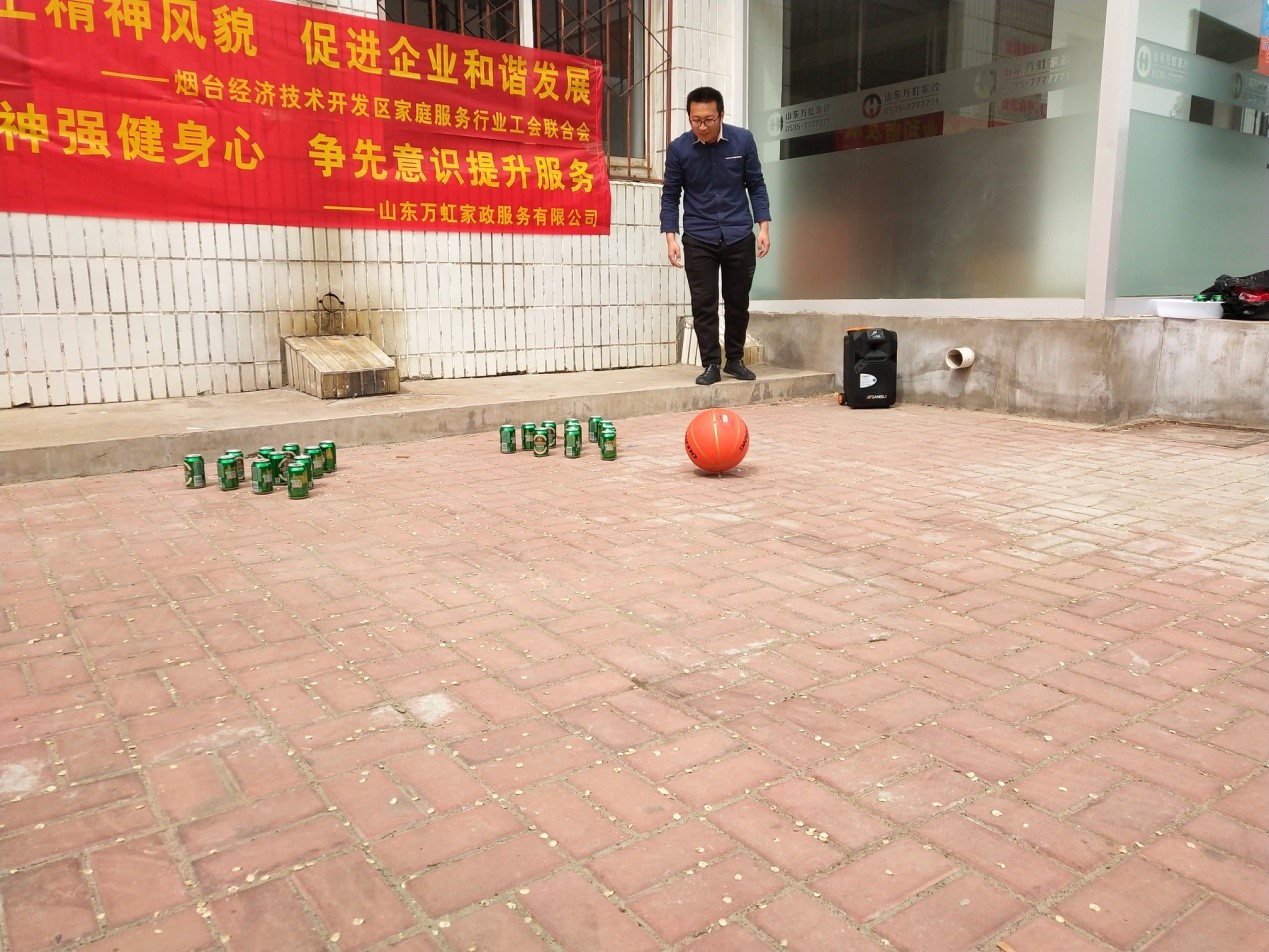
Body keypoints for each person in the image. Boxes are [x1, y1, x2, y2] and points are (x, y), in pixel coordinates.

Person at [660, 86, 771, 385]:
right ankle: (710, 363)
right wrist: (671, 238)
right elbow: (670, 196)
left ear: (721, 115)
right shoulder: (679, 149)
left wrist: (763, 227)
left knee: (738, 301)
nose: (702, 126)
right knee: (703, 303)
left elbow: (756, 185)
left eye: (709, 119)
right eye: (696, 120)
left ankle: (734, 359)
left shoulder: (743, 140)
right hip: (699, 236)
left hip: (738, 233)